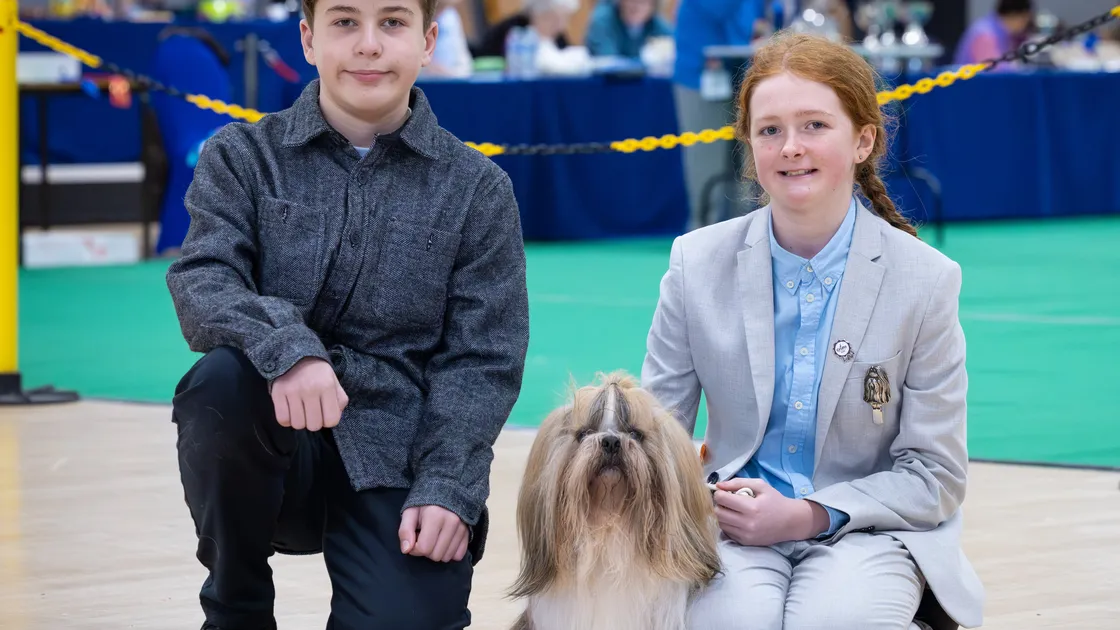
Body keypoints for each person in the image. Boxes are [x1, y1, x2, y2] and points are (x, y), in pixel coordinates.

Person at [164, 0, 531, 627]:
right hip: (272, 443)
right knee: (220, 385)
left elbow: (483, 360)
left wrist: (449, 488)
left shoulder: (478, 190)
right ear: (308, 39)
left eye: (392, 23)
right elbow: (205, 277)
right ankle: (236, 605)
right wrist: (289, 351)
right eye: (344, 22)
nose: (368, 44)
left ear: (428, 41)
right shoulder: (242, 157)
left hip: (400, 460)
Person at [641, 31, 984, 630]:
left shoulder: (926, 280)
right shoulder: (694, 264)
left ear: (863, 140)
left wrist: (808, 514)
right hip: (730, 523)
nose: (791, 147)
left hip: (868, 528)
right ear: (749, 146)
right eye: (770, 129)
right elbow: (657, 436)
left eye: (815, 126)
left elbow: (935, 476)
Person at [953, 0, 1035, 69]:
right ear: (1014, 15)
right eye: (1025, 20)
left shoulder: (1002, 33)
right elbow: (993, 70)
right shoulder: (985, 34)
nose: (1025, 26)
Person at [584, 0, 674, 59]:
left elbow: (674, 50)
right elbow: (607, 61)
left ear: (653, 6)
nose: (636, 7)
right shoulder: (603, 20)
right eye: (632, 0)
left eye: (643, 2)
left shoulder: (656, 23)